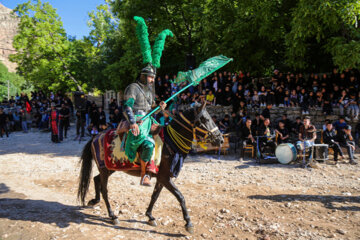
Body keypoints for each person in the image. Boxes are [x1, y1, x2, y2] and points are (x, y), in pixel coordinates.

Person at [123, 64, 167, 186]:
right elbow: (127, 106)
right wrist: (132, 122)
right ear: (143, 76)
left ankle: (158, 166)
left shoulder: (149, 91)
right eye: (150, 77)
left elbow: (151, 109)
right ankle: (144, 176)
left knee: (163, 135)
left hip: (148, 120)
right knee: (148, 143)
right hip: (137, 120)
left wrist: (159, 107)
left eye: (153, 78)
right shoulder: (133, 88)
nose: (153, 80)